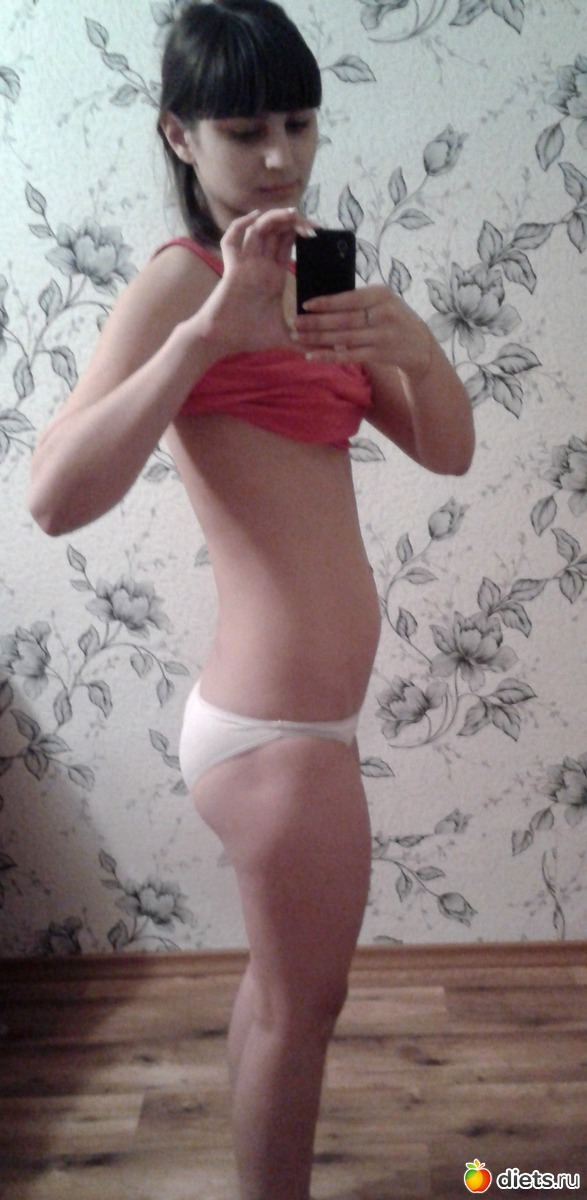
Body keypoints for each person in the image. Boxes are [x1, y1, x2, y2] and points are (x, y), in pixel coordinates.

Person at [28, 2, 475, 1197]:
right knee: (301, 1011)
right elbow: (54, 499)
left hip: (304, 724)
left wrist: (415, 349)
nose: (278, 157)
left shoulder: (312, 269)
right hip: (273, 734)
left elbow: (445, 453)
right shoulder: (180, 282)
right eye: (242, 131)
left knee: (277, 997)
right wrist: (200, 341)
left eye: (298, 122)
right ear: (179, 136)